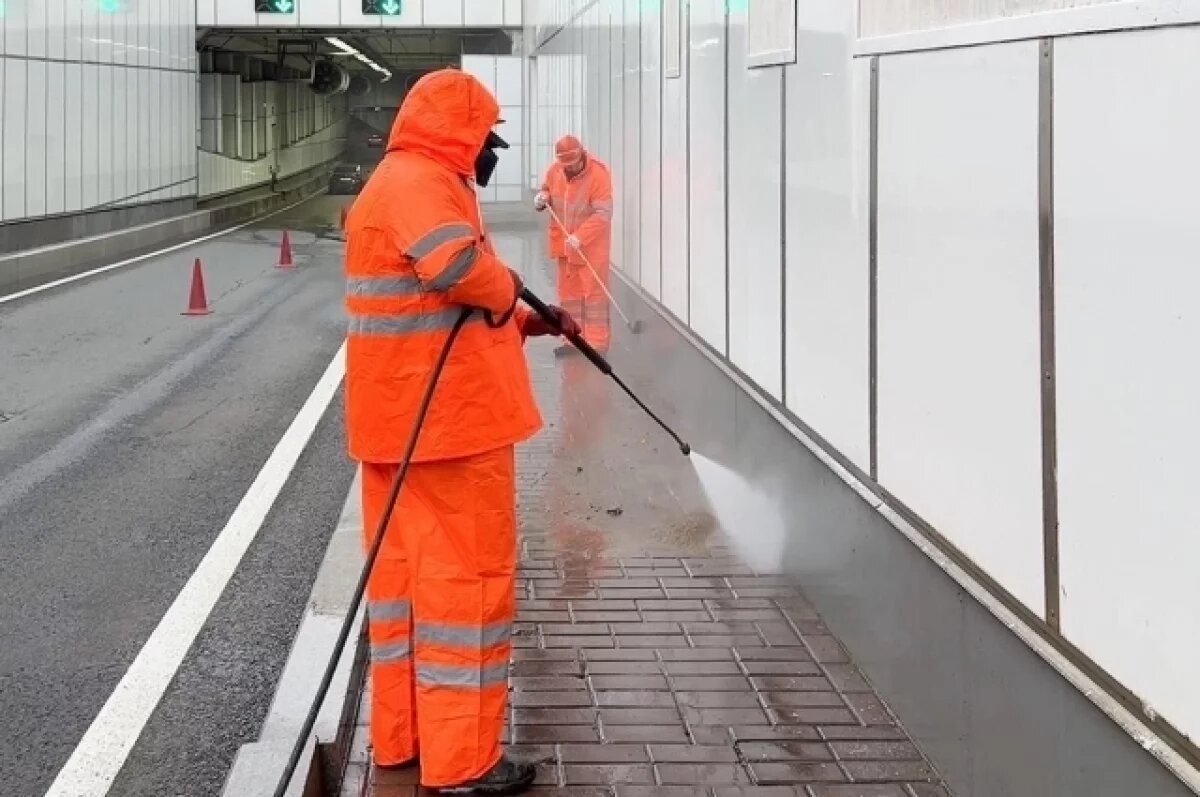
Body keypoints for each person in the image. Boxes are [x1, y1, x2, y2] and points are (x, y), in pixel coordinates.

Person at [343, 68, 580, 795]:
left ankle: (402, 741)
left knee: (406, 595)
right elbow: (457, 269)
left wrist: (527, 317)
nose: (490, 154)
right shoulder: (419, 181)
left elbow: (442, 304)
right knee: (465, 595)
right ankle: (464, 762)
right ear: (458, 135)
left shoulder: (404, 181)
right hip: (447, 435)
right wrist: (509, 286)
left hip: (403, 431)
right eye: (485, 140)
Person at [534, 135, 614, 355]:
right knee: (569, 295)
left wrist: (581, 236)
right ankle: (573, 340)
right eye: (565, 165)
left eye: (573, 164)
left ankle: (597, 344)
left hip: (591, 247)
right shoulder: (555, 170)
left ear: (581, 155)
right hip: (565, 246)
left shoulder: (598, 175)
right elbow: (547, 189)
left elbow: (603, 213)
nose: (569, 169)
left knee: (594, 296)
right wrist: (543, 197)